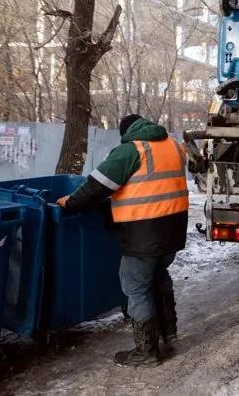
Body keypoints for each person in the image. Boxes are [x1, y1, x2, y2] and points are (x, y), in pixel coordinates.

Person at [56, 114, 189, 367]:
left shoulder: (131, 150)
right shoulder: (172, 145)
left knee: (136, 287)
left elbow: (97, 186)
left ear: (127, 132)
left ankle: (146, 352)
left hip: (144, 234)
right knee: (159, 276)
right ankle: (168, 331)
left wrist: (70, 202)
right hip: (172, 231)